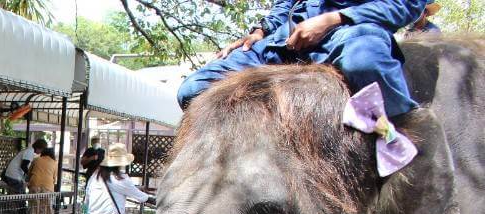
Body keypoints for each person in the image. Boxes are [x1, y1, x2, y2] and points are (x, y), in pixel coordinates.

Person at [177, 1, 428, 131]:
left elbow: (404, 6)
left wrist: (333, 19)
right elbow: (285, 6)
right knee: (194, 90)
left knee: (363, 63)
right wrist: (259, 31)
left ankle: (406, 142)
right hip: (284, 41)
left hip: (349, 34)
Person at [26, 147, 57, 214]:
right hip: (47, 187)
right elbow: (54, 178)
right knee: (46, 209)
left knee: (34, 207)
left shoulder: (36, 160)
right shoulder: (54, 162)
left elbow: (29, 173)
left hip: (34, 185)